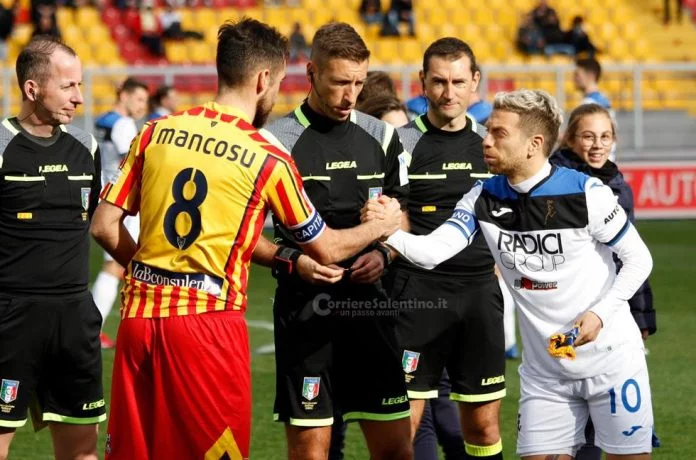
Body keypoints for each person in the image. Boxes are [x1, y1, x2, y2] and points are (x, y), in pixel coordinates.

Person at [90, 18, 403, 460]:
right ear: (262, 80)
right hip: (208, 325)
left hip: (139, 320)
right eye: (278, 82)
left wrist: (147, 272)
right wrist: (381, 226)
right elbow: (328, 249)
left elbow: (104, 226)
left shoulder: (155, 132)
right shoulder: (266, 154)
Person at [369, 89, 655, 459]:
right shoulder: (482, 196)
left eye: (498, 133)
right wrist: (386, 230)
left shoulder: (586, 193)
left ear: (534, 144)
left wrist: (600, 314)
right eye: (488, 130)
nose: (485, 141)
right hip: (545, 375)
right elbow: (433, 252)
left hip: (611, 362)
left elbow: (639, 259)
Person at [256, 21, 412, 460]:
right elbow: (242, 237)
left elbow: (404, 216)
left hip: (372, 312)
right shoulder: (275, 142)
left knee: (397, 452)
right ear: (311, 72)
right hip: (306, 315)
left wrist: (385, 253)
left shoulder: (382, 137)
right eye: (340, 82)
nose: (350, 96)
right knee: (311, 453)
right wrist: (293, 261)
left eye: (359, 83)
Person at [388, 37, 505, 460]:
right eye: (439, 81)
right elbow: (386, 216)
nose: (448, 92)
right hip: (416, 297)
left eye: (458, 81)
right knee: (404, 426)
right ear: (423, 81)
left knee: (484, 426)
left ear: (475, 82)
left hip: (479, 297)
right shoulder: (398, 143)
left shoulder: (492, 145)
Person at [0, 36, 104, 460]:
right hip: (11, 319)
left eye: (79, 85)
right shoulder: (1, 146)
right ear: (32, 88)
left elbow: (95, 222)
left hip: (74, 321)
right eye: (68, 86)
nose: (78, 97)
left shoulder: (87, 148)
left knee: (82, 452)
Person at [550, 103, 659, 460]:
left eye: (605, 136)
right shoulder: (555, 182)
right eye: (588, 136)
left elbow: (631, 256)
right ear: (569, 138)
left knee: (603, 414)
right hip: (566, 311)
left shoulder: (618, 185)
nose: (597, 145)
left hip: (611, 311)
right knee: (567, 416)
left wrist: (640, 314)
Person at [92, 76, 149, 349]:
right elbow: (136, 161)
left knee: (119, 267)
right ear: (123, 96)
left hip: (106, 197)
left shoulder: (105, 120)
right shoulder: (124, 124)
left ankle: (94, 327)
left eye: (145, 101)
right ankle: (93, 328)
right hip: (122, 203)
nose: (142, 106)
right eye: (138, 99)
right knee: (117, 267)